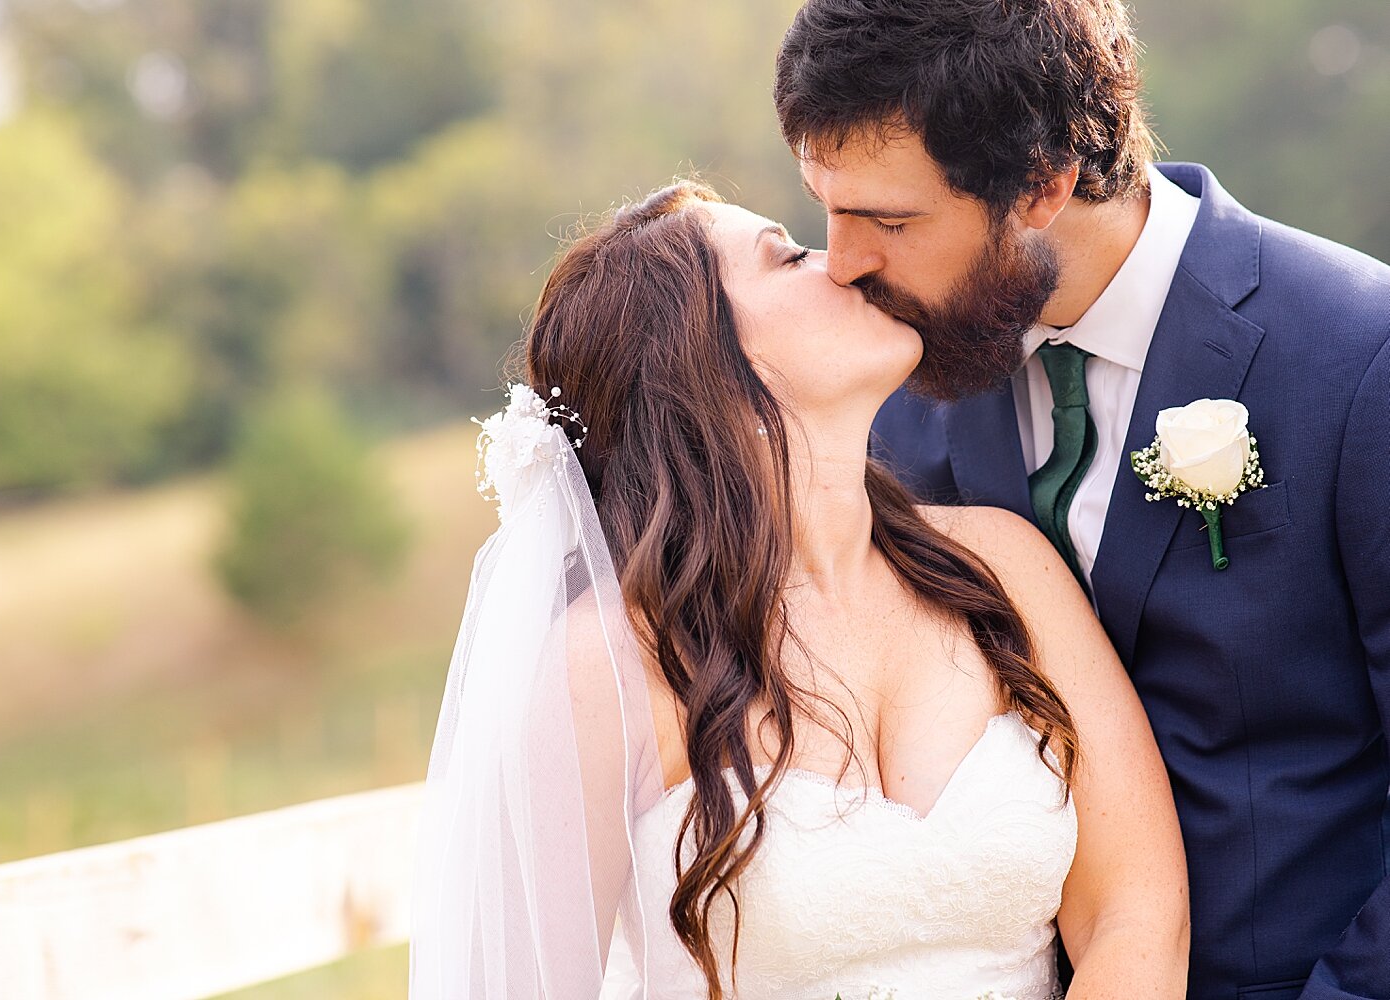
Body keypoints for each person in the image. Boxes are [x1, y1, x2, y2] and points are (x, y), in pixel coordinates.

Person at [409, 180, 1187, 999]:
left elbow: (1137, 914)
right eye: (787, 257)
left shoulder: (1004, 569)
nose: (844, 263)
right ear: (705, 367)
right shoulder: (606, 668)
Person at [772, 2, 1390, 998]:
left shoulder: (1360, 356)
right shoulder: (893, 394)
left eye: (889, 220)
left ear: (1045, 184)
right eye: (827, 208)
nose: (843, 262)